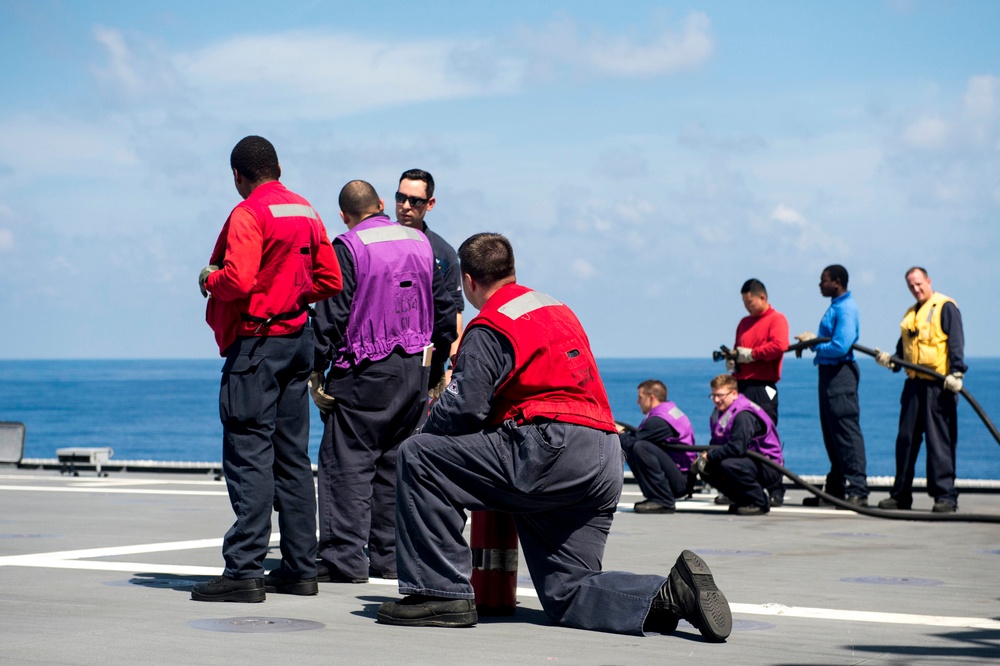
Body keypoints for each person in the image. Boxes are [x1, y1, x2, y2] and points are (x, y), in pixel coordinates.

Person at [376, 233, 732, 641]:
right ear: (511, 271)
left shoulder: (490, 323)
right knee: (568, 592)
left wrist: (426, 428)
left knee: (419, 456)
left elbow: (463, 409)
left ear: (468, 282)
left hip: (549, 449)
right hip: (603, 454)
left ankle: (439, 594)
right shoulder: (557, 310)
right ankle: (673, 593)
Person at [193, 135, 343, 602]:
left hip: (257, 346)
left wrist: (207, 280)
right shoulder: (304, 209)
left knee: (248, 454)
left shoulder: (248, 212)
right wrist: (293, 295)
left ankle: (243, 571)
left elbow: (235, 279)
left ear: (238, 175)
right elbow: (330, 279)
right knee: (292, 456)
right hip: (298, 344)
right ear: (276, 168)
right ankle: (300, 569)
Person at [311, 180, 457, 583]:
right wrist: (437, 367)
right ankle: (389, 558)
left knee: (347, 463)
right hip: (415, 370)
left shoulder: (348, 246)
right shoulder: (423, 244)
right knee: (394, 464)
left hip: (364, 369)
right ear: (380, 204)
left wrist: (316, 369)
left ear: (344, 215)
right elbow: (445, 311)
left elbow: (332, 315)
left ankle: (344, 559)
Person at [875, 267, 966, 513]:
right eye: (911, 286)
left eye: (918, 284)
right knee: (905, 441)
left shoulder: (945, 307)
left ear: (928, 281)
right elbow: (903, 352)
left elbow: (955, 340)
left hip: (939, 387)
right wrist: (890, 360)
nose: (916, 289)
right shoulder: (911, 314)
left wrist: (957, 372)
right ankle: (900, 495)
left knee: (940, 442)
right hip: (914, 387)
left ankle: (945, 496)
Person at [794, 265, 869, 508]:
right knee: (832, 432)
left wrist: (814, 345)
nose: (820, 285)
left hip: (840, 373)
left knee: (845, 430)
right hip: (828, 373)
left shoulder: (846, 308)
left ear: (836, 282)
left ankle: (858, 489)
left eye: (823, 280)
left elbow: (840, 345)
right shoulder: (836, 306)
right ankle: (836, 487)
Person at [395, 169, 464, 397]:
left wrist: (452, 368)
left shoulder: (444, 253)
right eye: (400, 198)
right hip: (383, 357)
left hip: (426, 361)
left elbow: (454, 312)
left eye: (414, 201)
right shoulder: (380, 243)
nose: (405, 206)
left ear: (430, 203)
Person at [729, 278, 789, 506]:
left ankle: (776, 487)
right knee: (739, 436)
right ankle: (740, 484)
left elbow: (779, 346)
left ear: (762, 297)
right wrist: (734, 360)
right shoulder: (744, 322)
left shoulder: (777, 319)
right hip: (742, 385)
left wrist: (752, 354)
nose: (747, 307)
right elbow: (738, 350)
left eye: (750, 303)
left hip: (764, 386)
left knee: (766, 437)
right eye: (745, 303)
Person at [694, 374, 784, 516]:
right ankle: (744, 500)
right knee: (705, 467)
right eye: (713, 396)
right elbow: (717, 443)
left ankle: (759, 502)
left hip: (767, 465)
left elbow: (738, 448)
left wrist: (710, 455)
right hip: (747, 461)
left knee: (730, 465)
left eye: (720, 396)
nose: (716, 400)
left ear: (734, 394)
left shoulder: (743, 415)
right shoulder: (720, 412)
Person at [617, 379, 697, 514]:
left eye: (640, 397)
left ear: (651, 397)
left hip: (680, 482)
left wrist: (619, 433)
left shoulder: (659, 421)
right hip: (683, 476)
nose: (638, 402)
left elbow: (633, 443)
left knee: (640, 448)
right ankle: (657, 496)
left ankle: (662, 500)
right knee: (638, 445)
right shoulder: (668, 412)